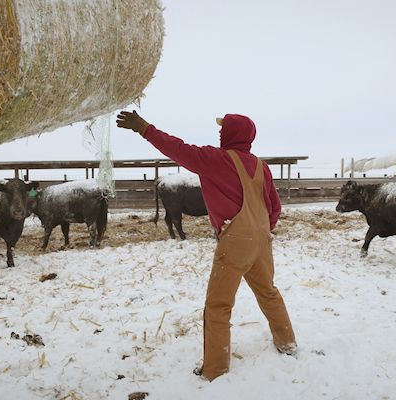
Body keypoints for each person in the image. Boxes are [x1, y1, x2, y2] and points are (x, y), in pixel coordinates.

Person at [116, 111, 297, 381]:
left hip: (236, 240)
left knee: (218, 306)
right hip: (262, 239)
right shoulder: (261, 166)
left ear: (232, 134)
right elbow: (275, 207)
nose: (220, 133)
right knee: (268, 293)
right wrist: (261, 229)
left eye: (224, 129)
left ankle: (215, 369)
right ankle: (287, 344)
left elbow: (178, 149)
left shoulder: (217, 159)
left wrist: (144, 128)